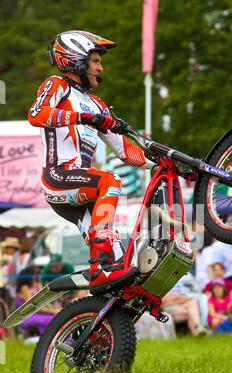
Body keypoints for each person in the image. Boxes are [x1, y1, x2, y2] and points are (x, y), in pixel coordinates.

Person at [28, 30, 157, 292]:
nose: (100, 67)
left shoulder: (98, 105)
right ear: (76, 60)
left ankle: (99, 319)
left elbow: (124, 151)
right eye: (95, 61)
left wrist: (157, 165)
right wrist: (82, 118)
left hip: (84, 192)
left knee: (120, 262)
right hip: (59, 178)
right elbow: (35, 114)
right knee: (110, 180)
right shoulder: (57, 85)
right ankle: (98, 266)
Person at [16, 266, 59, 339]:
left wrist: (56, 309)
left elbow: (45, 301)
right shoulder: (24, 287)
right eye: (36, 274)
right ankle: (50, 339)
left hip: (40, 313)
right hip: (28, 316)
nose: (38, 276)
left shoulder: (38, 285)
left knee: (58, 316)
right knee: (54, 318)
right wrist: (53, 311)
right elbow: (32, 307)